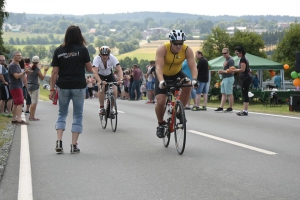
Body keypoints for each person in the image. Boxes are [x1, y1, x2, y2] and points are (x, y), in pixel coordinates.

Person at [50, 25, 93, 154]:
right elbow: (89, 69)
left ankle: (59, 141)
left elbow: (54, 72)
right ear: (80, 35)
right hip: (78, 86)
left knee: (62, 113)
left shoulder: (59, 50)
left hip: (63, 86)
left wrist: (52, 89)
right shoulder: (83, 50)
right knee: (77, 115)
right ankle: (74, 145)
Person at [155, 29, 198, 138]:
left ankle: (180, 111)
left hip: (177, 73)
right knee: (161, 101)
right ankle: (160, 124)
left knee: (188, 84)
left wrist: (194, 79)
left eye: (181, 43)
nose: (178, 46)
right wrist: (161, 81)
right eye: (176, 44)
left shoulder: (187, 50)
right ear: (171, 42)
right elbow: (158, 67)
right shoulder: (163, 49)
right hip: (162, 75)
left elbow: (193, 66)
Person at [92, 46, 123, 116]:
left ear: (109, 54)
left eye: (106, 55)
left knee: (115, 90)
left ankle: (111, 109)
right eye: (103, 55)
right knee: (102, 87)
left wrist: (121, 79)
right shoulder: (96, 59)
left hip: (109, 74)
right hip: (100, 75)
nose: (105, 57)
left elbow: (119, 69)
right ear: (100, 54)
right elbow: (95, 72)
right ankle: (102, 107)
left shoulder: (112, 58)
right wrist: (100, 81)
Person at [8, 51, 32, 125]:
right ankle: (19, 119)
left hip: (17, 85)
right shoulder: (12, 65)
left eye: (20, 55)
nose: (20, 57)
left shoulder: (17, 64)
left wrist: (25, 72)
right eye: (18, 55)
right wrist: (24, 72)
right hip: (15, 85)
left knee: (16, 103)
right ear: (13, 56)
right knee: (20, 102)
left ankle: (14, 118)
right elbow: (16, 76)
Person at [230, 46, 252, 116]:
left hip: (245, 77)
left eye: (237, 53)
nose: (236, 54)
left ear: (241, 52)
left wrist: (234, 70)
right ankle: (244, 110)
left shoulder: (243, 59)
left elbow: (242, 69)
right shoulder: (245, 58)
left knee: (245, 93)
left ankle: (245, 111)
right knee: (244, 93)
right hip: (246, 77)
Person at [27, 56, 49, 121]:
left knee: (32, 101)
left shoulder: (29, 67)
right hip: (35, 86)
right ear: (38, 61)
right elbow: (42, 77)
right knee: (34, 102)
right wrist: (45, 71)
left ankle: (31, 115)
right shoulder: (37, 69)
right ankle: (32, 116)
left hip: (29, 85)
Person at [215, 48, 235, 112]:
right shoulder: (226, 60)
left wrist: (222, 71)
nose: (224, 54)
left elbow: (232, 71)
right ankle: (221, 107)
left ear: (228, 53)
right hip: (225, 78)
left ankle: (230, 107)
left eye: (225, 53)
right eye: (223, 53)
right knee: (223, 93)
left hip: (229, 77)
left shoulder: (230, 60)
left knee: (229, 93)